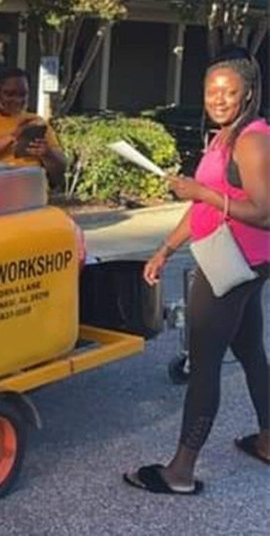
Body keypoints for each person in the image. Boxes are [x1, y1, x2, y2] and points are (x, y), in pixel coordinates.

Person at [124, 46, 270, 495]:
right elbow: (201, 204)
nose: (219, 98)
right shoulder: (224, 136)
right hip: (234, 258)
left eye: (229, 90)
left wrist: (202, 194)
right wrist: (165, 249)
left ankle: (180, 472)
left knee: (204, 362)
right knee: (249, 351)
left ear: (249, 92)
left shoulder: (252, 139)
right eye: (211, 90)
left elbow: (264, 212)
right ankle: (268, 441)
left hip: (233, 263)